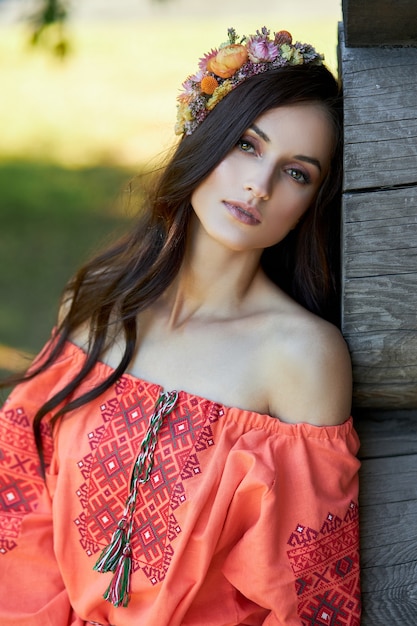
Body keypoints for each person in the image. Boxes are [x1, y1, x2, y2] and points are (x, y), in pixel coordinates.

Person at [0, 26, 361, 626]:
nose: (260, 185)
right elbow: (22, 507)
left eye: (297, 173)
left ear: (312, 204)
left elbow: (306, 601)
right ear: (204, 134)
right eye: (247, 144)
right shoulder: (95, 305)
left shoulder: (300, 359)